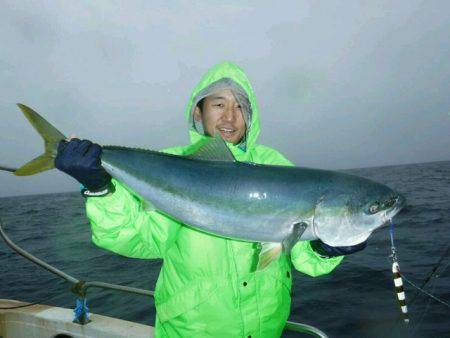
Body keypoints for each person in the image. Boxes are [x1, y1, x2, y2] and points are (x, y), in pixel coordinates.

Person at [55, 61, 366, 338]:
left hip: (265, 329)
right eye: (218, 104)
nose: (230, 116)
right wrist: (99, 189)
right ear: (198, 112)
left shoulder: (275, 165)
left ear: (251, 116)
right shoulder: (173, 166)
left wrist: (325, 249)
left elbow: (303, 259)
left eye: (240, 107)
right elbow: (133, 239)